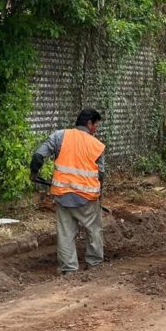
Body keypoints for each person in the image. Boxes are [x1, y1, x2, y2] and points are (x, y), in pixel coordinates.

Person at [30, 108, 106, 274]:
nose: (96, 129)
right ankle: (94, 265)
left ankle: (69, 269)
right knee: (93, 230)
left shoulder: (59, 136)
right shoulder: (97, 146)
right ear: (89, 123)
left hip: (62, 195)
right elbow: (101, 174)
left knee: (65, 233)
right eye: (96, 125)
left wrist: (34, 173)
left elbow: (38, 156)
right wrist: (100, 196)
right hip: (87, 198)